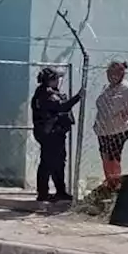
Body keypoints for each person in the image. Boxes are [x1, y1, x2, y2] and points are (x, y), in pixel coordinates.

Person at [30, 67, 83, 202]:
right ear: (50, 80)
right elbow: (62, 107)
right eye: (56, 78)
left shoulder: (48, 92)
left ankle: (60, 191)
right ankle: (43, 193)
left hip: (55, 134)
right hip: (50, 135)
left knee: (58, 163)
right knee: (47, 163)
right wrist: (78, 97)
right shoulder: (45, 94)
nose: (58, 81)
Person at [93, 60, 128, 188]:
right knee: (104, 155)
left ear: (120, 74)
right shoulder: (106, 88)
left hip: (119, 129)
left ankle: (116, 182)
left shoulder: (127, 88)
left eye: (112, 73)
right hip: (103, 130)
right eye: (108, 73)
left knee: (114, 155)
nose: (109, 76)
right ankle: (109, 181)